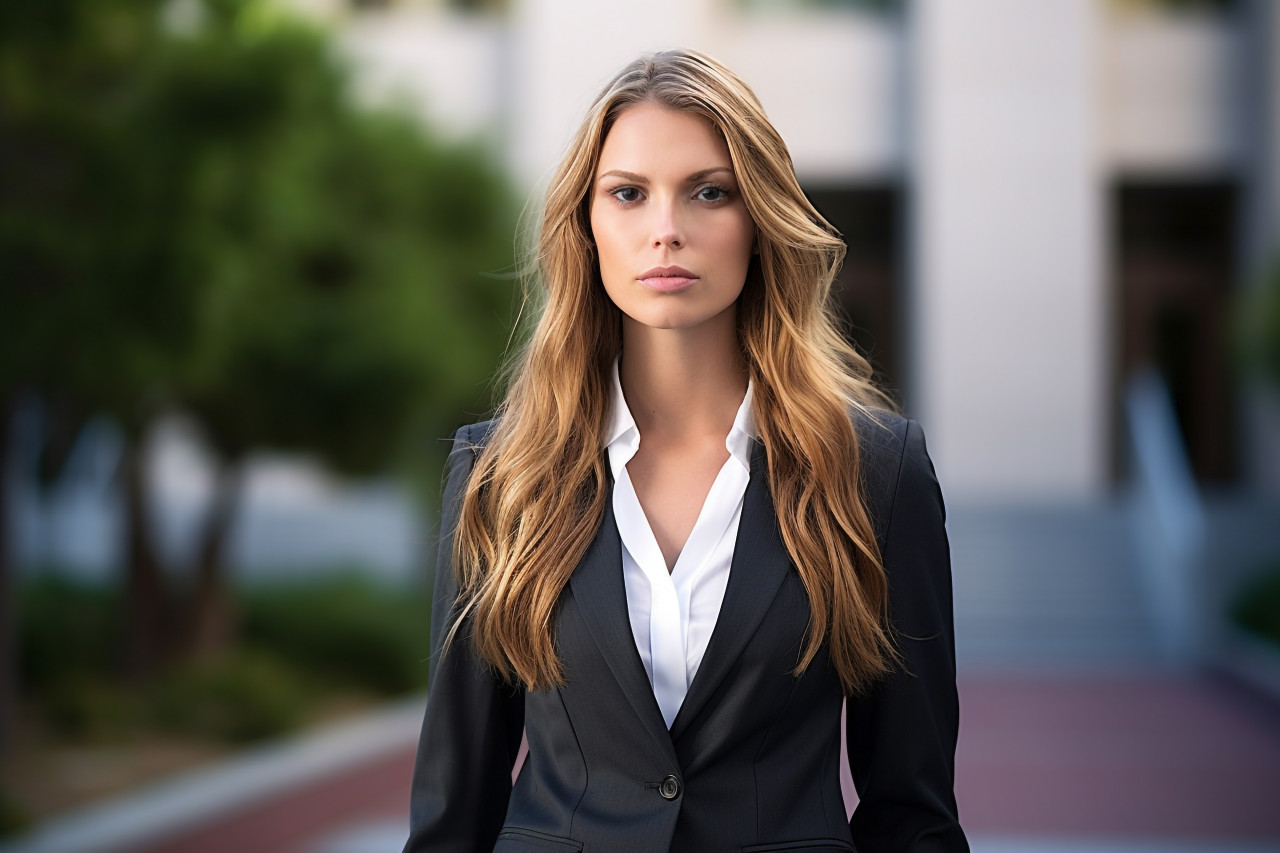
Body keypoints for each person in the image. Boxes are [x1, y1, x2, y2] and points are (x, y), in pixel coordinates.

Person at [403, 49, 967, 853]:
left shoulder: (876, 473)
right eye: (628, 194)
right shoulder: (501, 475)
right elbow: (453, 812)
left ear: (760, 219)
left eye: (710, 192)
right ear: (587, 226)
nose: (665, 229)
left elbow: (913, 814)